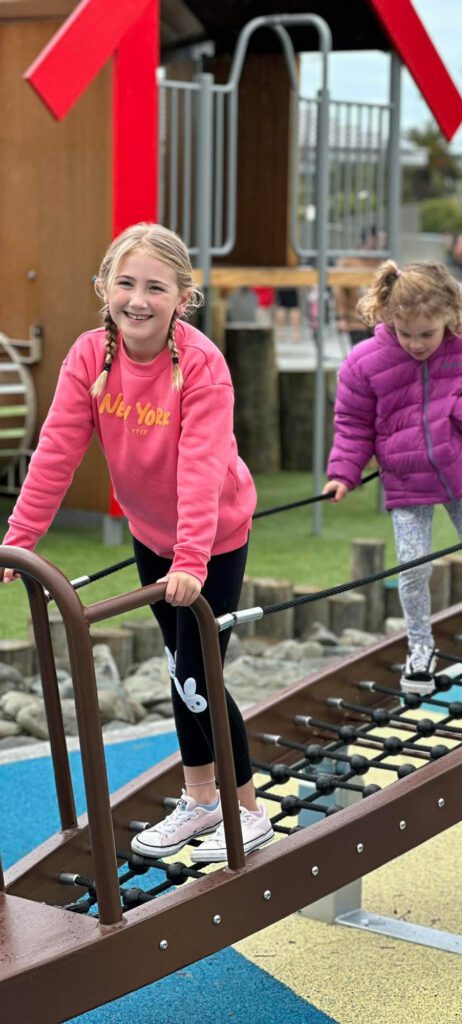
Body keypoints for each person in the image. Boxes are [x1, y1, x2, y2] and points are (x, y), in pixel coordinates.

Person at [1, 223, 272, 863]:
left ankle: (248, 809)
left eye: (156, 286)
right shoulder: (91, 357)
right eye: (126, 283)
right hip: (152, 533)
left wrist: (192, 561)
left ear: (184, 296)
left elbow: (203, 467)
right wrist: (19, 539)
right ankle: (202, 798)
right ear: (104, 288)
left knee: (195, 667)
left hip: (214, 540)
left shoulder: (202, 365)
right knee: (183, 671)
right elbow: (57, 452)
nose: (138, 299)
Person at [323, 260, 462, 695]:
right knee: (413, 567)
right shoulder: (364, 361)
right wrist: (342, 474)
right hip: (404, 479)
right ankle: (420, 646)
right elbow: (352, 424)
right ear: (389, 317)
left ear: (449, 316)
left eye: (426, 334)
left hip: (456, 469)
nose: (415, 344)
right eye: (404, 333)